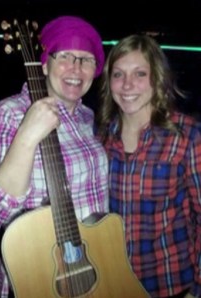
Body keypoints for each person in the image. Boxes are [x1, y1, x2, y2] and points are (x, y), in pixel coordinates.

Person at [0, 15, 109, 298]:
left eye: (86, 59)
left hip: (97, 271)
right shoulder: (8, 113)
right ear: (44, 63)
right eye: (65, 56)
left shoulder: (88, 118)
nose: (76, 68)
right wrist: (27, 133)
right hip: (39, 276)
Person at [96, 34, 201, 298]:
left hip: (171, 286)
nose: (127, 85)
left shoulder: (188, 136)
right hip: (113, 285)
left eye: (140, 74)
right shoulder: (100, 140)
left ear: (158, 79)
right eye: (118, 74)